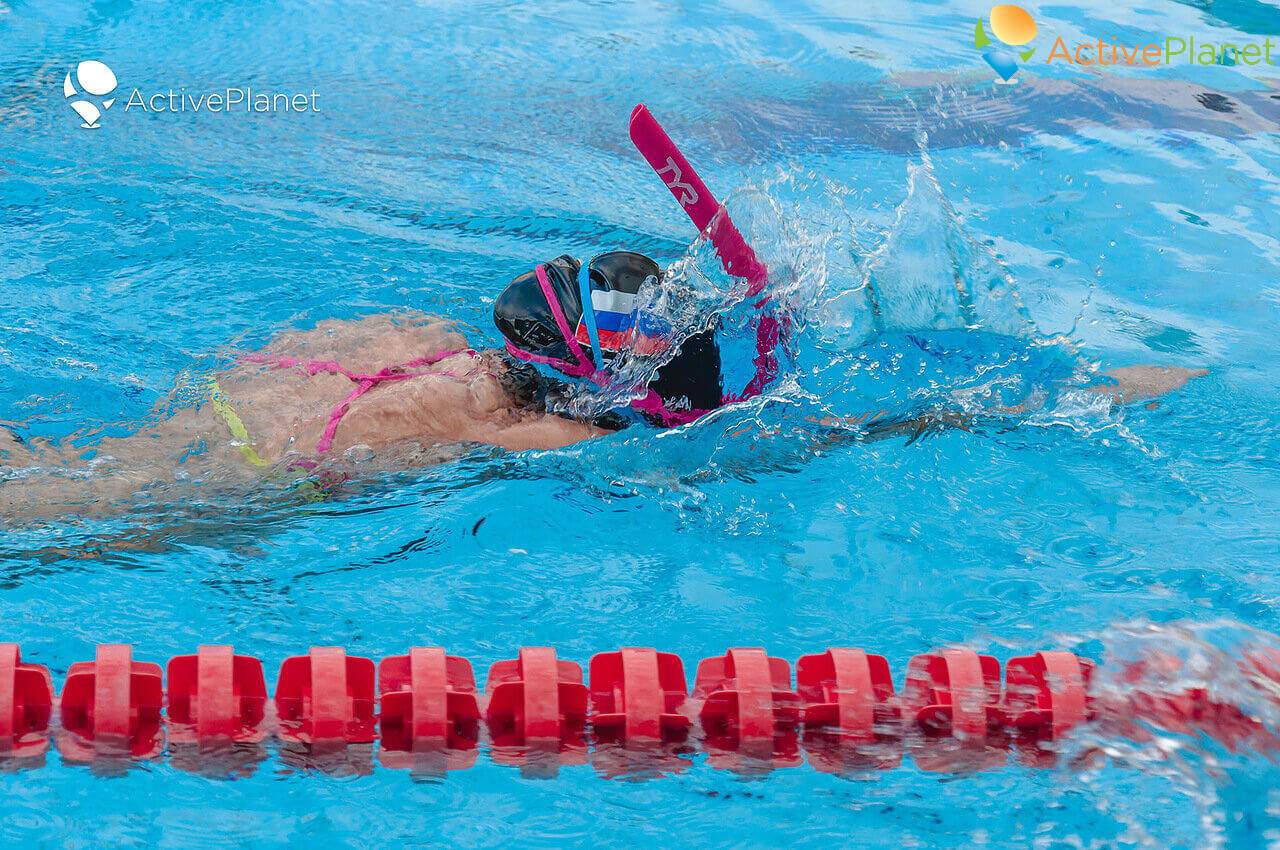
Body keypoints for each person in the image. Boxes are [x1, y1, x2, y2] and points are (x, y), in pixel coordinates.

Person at [0, 249, 1205, 519]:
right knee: (65, 515)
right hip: (251, 467)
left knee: (53, 454)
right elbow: (777, 437)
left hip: (276, 385)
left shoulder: (422, 331)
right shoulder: (550, 444)